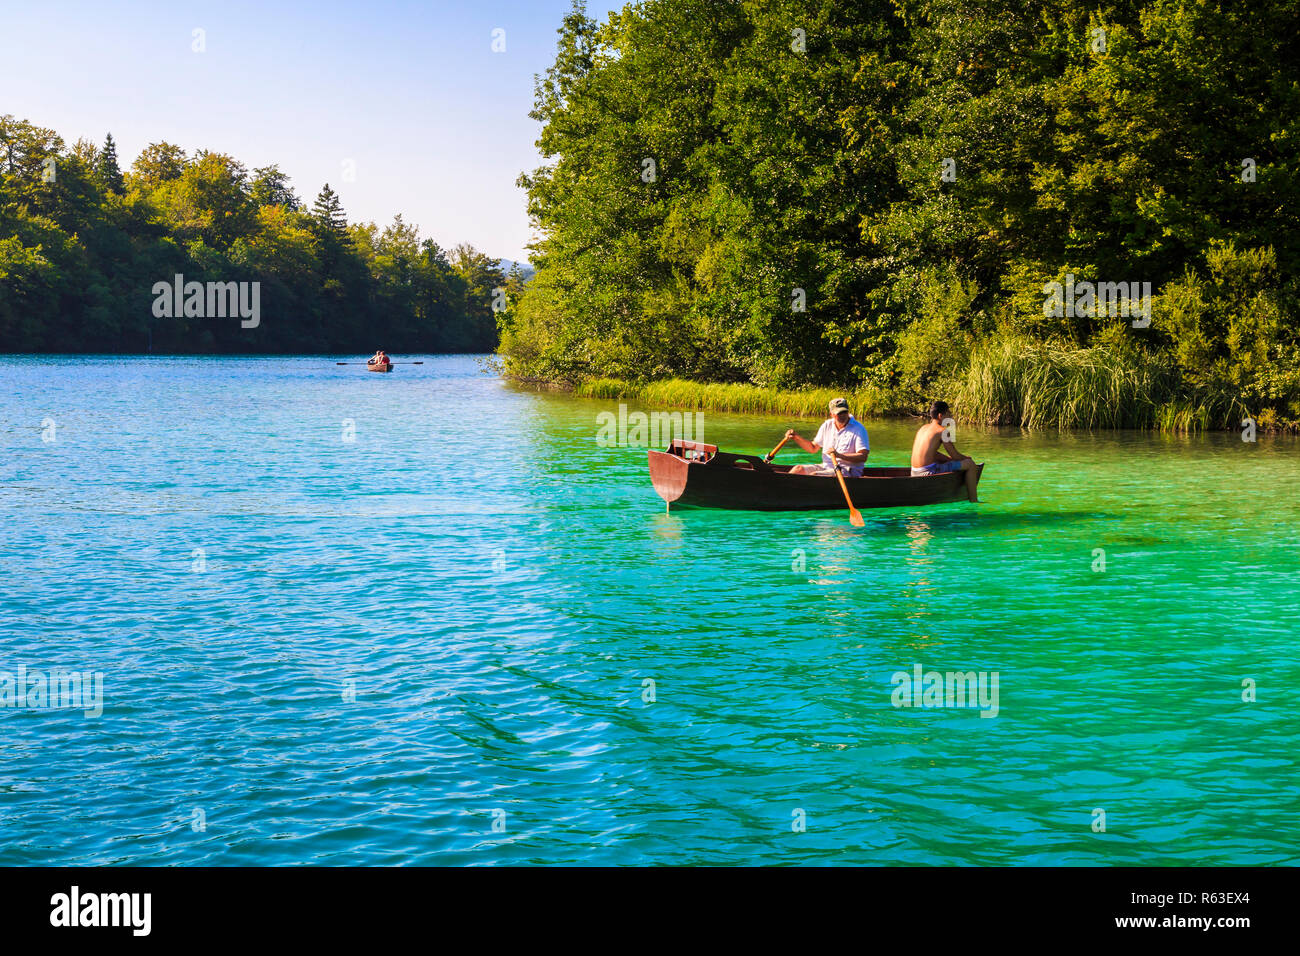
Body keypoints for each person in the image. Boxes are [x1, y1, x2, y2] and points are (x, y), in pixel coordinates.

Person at [910, 400, 979, 502]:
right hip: (928, 473)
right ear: (940, 415)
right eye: (948, 414)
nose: (950, 417)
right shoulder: (943, 431)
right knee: (970, 464)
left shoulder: (923, 428)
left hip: (914, 472)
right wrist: (967, 458)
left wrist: (948, 460)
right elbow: (955, 456)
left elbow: (934, 454)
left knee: (945, 461)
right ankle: (974, 501)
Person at [783, 397, 870, 477]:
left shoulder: (859, 428)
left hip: (848, 470)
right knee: (798, 469)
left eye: (844, 412)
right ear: (831, 414)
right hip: (826, 467)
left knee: (814, 475)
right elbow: (813, 448)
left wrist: (839, 455)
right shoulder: (827, 425)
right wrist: (796, 437)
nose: (842, 415)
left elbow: (863, 456)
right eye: (839, 413)